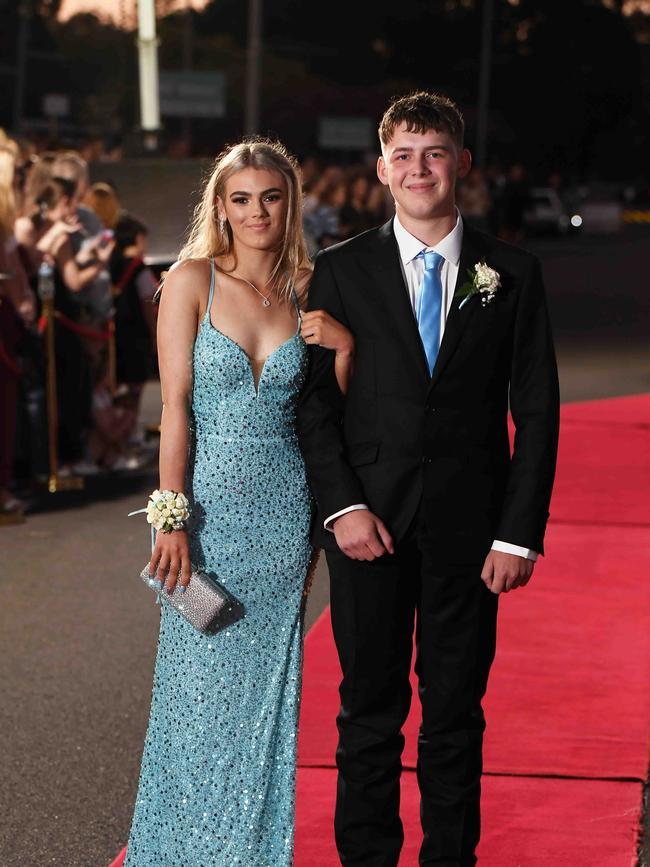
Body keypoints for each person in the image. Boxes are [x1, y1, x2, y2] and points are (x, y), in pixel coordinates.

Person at [297, 91, 560, 866]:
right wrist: (341, 507)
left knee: (454, 714)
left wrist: (519, 532)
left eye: (434, 152)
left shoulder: (511, 272)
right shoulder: (340, 270)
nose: (419, 169)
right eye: (404, 156)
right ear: (381, 168)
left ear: (462, 164)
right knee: (368, 712)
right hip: (365, 526)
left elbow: (537, 412)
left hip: (473, 533)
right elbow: (314, 405)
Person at [122, 138, 354, 866]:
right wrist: (172, 517)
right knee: (193, 704)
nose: (258, 212)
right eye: (242, 198)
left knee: (263, 712)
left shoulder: (309, 288)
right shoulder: (188, 280)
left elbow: (328, 419)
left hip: (285, 523)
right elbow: (177, 410)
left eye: (272, 197)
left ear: (290, 205)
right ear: (220, 207)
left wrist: (345, 354)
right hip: (206, 521)